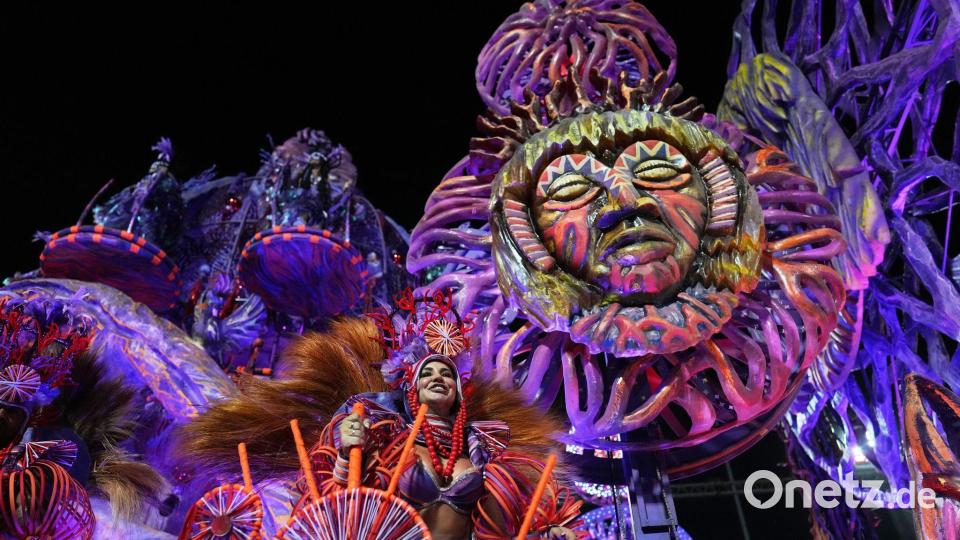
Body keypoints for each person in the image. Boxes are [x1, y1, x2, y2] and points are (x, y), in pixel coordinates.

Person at [182, 289, 583, 539]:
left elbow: (508, 519)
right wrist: (345, 453)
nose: (438, 377)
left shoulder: (484, 450)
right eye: (428, 373)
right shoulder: (386, 437)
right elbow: (343, 497)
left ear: (460, 391)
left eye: (447, 373)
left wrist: (546, 530)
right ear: (411, 388)